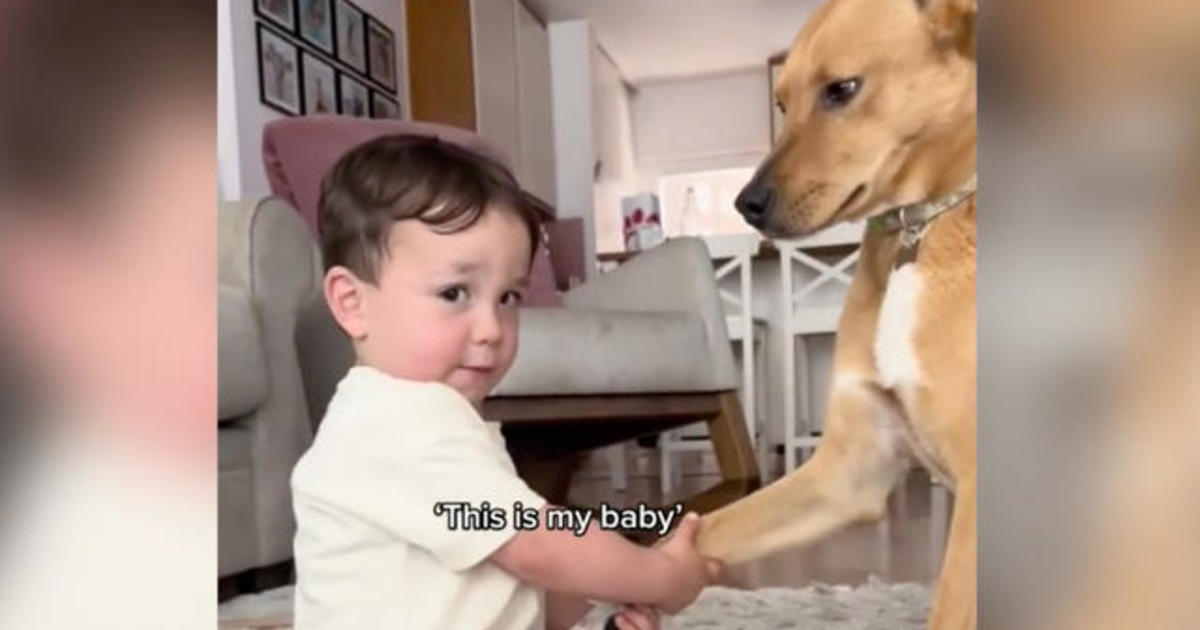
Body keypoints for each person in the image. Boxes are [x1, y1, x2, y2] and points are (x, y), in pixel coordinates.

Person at [291, 135, 719, 630]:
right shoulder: (401, 424)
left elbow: (496, 579)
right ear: (351, 302)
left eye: (508, 298)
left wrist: (593, 588)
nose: (492, 328)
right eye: (454, 293)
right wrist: (662, 577)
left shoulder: (403, 418)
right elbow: (537, 546)